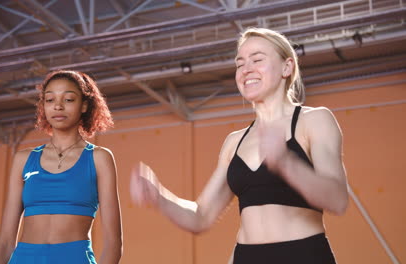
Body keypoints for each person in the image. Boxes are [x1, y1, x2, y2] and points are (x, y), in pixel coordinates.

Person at [130, 27, 348, 264]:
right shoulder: (235, 141)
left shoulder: (314, 120)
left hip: (302, 255)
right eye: (240, 63)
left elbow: (337, 199)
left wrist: (285, 163)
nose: (246, 69)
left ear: (287, 67)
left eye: (257, 60)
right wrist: (159, 197)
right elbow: (201, 216)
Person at [0, 70, 122, 264]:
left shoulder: (99, 158)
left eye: (69, 99)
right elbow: (5, 241)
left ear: (84, 105)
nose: (58, 106)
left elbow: (114, 243)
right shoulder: (23, 159)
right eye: (50, 100)